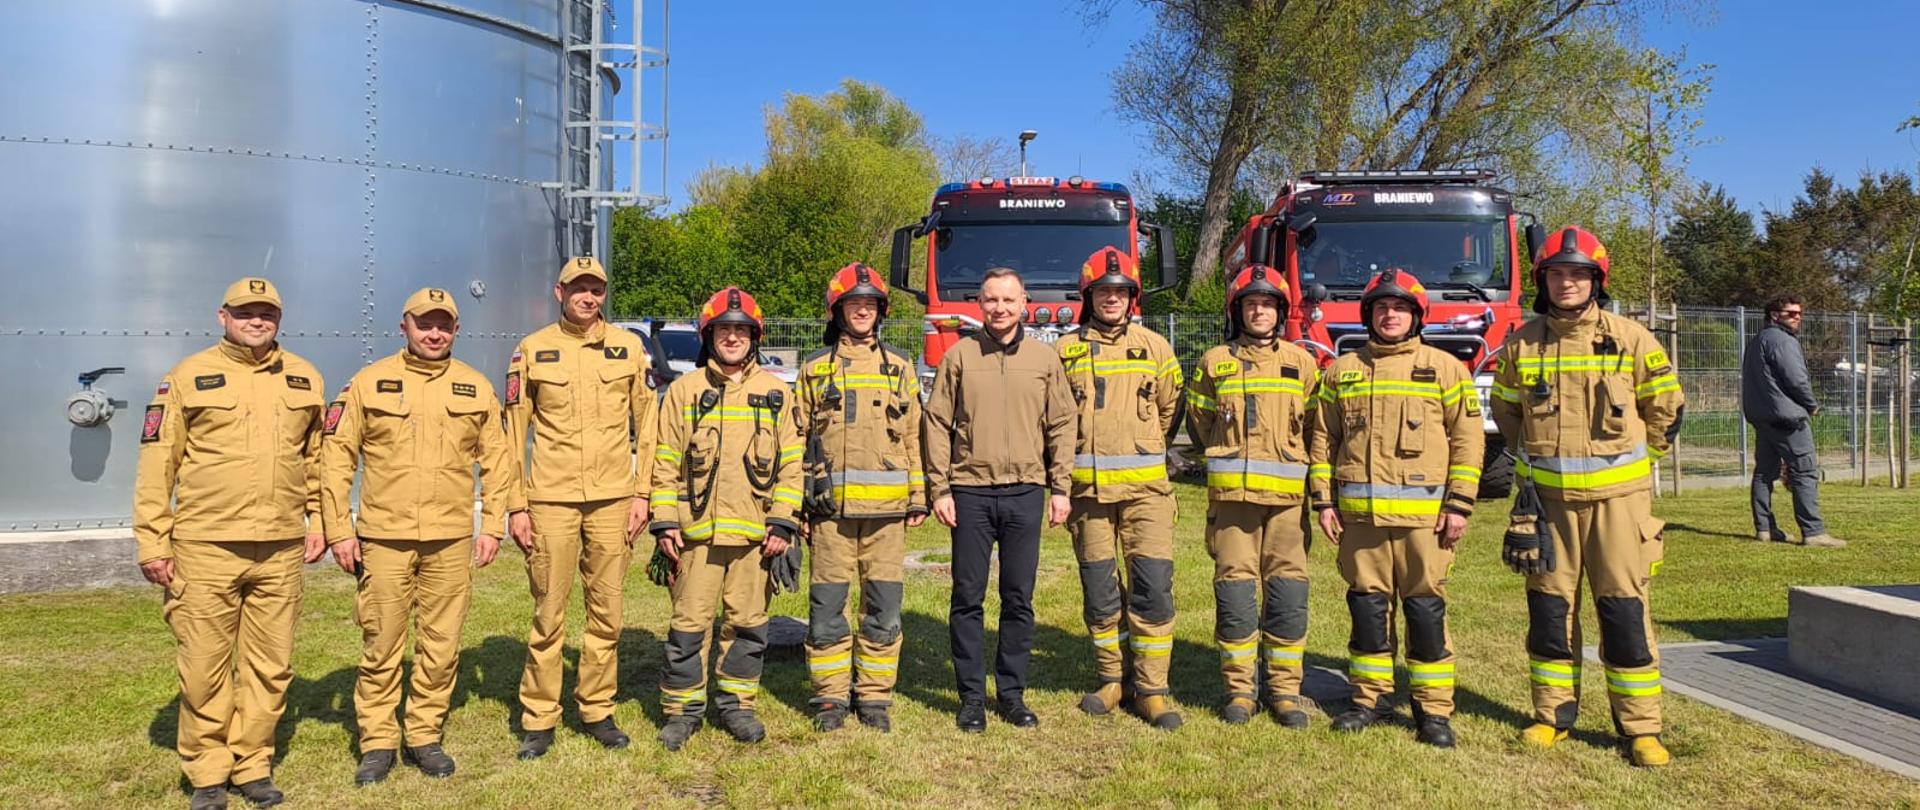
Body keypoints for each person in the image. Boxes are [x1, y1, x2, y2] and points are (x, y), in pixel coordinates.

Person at [1490, 226, 1686, 768]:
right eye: (1557, 273)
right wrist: (1529, 455)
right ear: (1543, 280)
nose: (1568, 283)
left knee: (1623, 611)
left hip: (1619, 506)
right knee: (1550, 611)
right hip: (1547, 505)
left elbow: (1666, 407)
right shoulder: (1522, 343)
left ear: (1596, 280)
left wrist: (1640, 463)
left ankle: (1641, 728)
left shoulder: (1631, 339)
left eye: (1578, 274)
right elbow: (1506, 410)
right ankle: (1551, 716)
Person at [132, 277, 327, 810]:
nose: (256, 320)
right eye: (245, 312)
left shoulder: (305, 378)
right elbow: (158, 463)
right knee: (204, 664)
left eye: (266, 312)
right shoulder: (188, 377)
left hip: (281, 545)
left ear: (279, 319)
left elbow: (315, 463)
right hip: (206, 544)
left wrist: (317, 521)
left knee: (272, 663)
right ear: (223, 315)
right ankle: (208, 772)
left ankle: (253, 763)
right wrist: (154, 541)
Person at [319, 288, 517, 785]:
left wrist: (492, 525)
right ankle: (378, 741)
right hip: (384, 537)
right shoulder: (369, 383)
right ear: (403, 325)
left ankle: (424, 734)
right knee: (381, 642)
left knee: (441, 643)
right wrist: (338, 529)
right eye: (424, 323)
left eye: (444, 324)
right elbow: (336, 456)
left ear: (456, 329)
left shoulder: (475, 387)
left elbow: (499, 461)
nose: (434, 333)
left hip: (450, 540)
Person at [1309, 269, 1483, 747]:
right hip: (1360, 521)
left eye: (1400, 308)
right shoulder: (1341, 372)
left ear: (1416, 316)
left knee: (1425, 612)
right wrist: (1323, 501)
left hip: (1425, 523)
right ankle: (1369, 700)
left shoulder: (1446, 369)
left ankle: (1433, 712)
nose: (1391, 315)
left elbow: (1468, 443)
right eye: (1382, 307)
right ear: (1368, 315)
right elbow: (1323, 441)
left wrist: (1460, 506)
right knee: (1367, 609)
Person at [503, 257, 659, 759]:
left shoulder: (628, 348)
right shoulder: (533, 350)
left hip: (614, 499)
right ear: (560, 291)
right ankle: (540, 717)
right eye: (579, 289)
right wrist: (515, 504)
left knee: (606, 612)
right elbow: (513, 433)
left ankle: (596, 709)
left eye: (596, 289)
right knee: (549, 612)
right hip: (551, 499)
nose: (588, 297)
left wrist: (642, 493)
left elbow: (648, 423)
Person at [922, 267, 1077, 733]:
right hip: (969, 493)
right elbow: (935, 423)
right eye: (991, 300)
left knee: (1018, 599)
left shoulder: (1044, 359)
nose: (1000, 308)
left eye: (1009, 300)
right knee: (967, 598)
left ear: (1024, 302)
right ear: (981, 303)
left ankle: (1010, 694)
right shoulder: (960, 357)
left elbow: (1062, 423)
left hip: (1026, 491)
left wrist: (1061, 486)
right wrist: (940, 488)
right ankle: (971, 698)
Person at [650, 287, 804, 750]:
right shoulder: (684, 391)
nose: (732, 338)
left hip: (757, 536)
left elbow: (793, 463)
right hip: (695, 536)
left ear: (754, 337)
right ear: (708, 335)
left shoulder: (777, 393)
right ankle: (682, 710)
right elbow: (663, 461)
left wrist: (782, 523)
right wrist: (665, 521)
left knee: (748, 625)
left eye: (741, 330)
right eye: (724, 330)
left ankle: (737, 706)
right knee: (688, 626)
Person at [1055, 247, 1185, 730]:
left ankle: (1151, 688)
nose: (1112, 299)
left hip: (1146, 494)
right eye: (1103, 291)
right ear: (1089, 296)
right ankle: (1113, 680)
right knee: (1101, 594)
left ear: (1133, 298)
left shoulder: (1156, 348)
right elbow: (1053, 420)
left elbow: (1172, 412)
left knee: (1152, 589)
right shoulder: (1062, 352)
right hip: (1087, 496)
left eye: (1121, 291)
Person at [1186, 265, 1320, 727]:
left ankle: (1285, 692)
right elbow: (1199, 424)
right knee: (1236, 594)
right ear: (1237, 310)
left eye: (1266, 303)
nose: (1258, 310)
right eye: (1250, 303)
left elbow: (1316, 428)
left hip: (1286, 503)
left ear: (1280, 311)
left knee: (1286, 593)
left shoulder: (1302, 364)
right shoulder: (1213, 362)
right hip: (1232, 503)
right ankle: (1240, 691)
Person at [794, 263, 926, 733]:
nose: (862, 312)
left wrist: (918, 496)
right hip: (830, 515)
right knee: (828, 606)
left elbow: (914, 436)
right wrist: (798, 508)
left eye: (870, 305)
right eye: (854, 304)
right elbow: (797, 439)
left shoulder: (900, 368)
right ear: (838, 311)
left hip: (887, 517)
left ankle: (874, 695)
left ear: (881, 311)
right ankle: (829, 696)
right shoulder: (814, 369)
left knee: (882, 605)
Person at [1742, 294, 1844, 547]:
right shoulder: (1782, 341)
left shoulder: (1757, 341)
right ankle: (1813, 532)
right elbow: (1796, 379)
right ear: (1774, 315)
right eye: (1791, 313)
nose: (1797, 317)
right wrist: (1811, 404)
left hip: (1762, 416)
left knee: (1764, 472)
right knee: (1805, 471)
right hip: (1787, 418)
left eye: (1799, 313)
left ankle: (1764, 529)